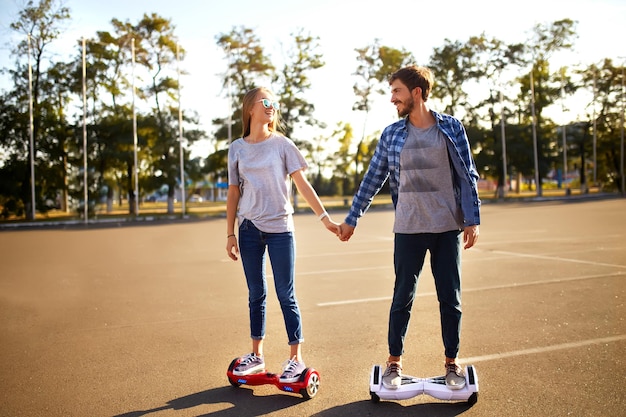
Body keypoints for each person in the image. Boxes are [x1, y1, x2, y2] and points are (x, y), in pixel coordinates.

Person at [338, 66, 480, 390]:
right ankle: (394, 363)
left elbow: (466, 175)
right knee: (402, 296)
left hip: (447, 228)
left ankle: (452, 363)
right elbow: (373, 177)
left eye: (397, 91)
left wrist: (472, 219)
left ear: (416, 92)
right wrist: (352, 217)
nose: (393, 99)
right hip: (408, 227)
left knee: (451, 298)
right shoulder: (392, 134)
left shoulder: (451, 128)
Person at [226, 86, 340, 383]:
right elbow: (233, 192)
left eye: (273, 102)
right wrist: (230, 234)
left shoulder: (283, 145)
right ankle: (256, 355)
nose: (271, 106)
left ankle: (295, 359)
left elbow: (302, 184)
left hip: (280, 230)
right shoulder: (237, 147)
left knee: (285, 294)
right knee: (256, 294)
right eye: (265, 101)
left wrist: (325, 219)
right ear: (250, 107)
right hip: (248, 229)